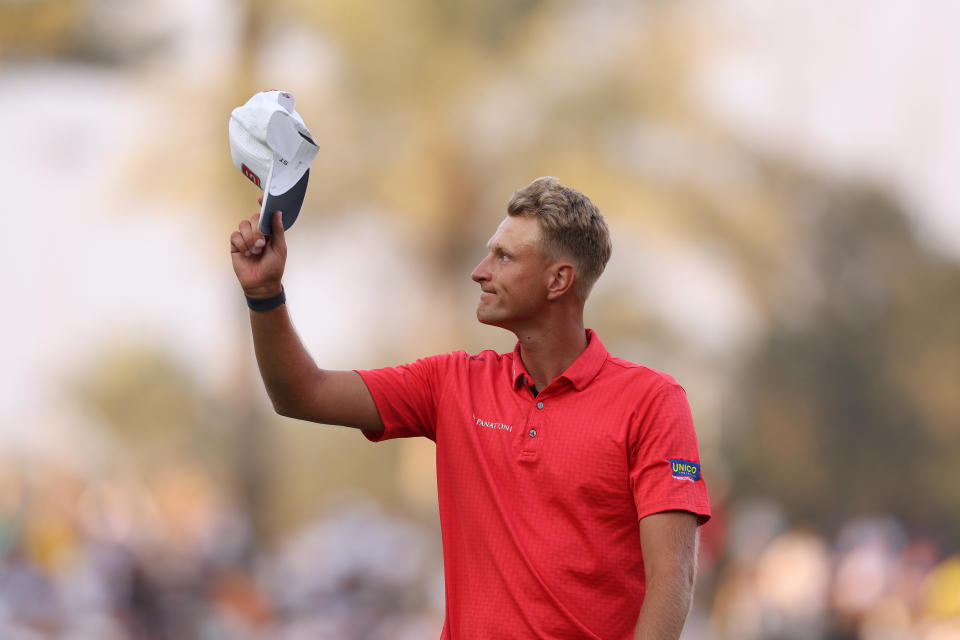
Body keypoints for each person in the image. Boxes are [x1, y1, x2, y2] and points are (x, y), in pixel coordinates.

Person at [229, 176, 711, 639]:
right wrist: (264, 294)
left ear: (558, 280)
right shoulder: (451, 383)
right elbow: (301, 393)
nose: (480, 271)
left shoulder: (652, 401)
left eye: (503, 256)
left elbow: (672, 576)